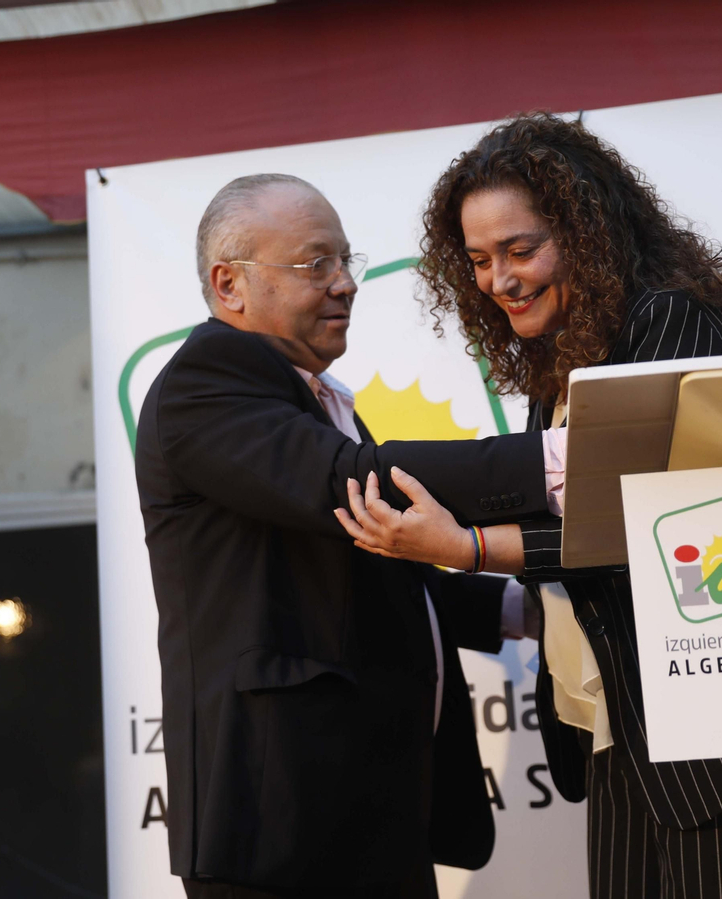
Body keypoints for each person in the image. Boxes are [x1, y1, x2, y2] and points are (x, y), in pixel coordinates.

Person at [336, 114, 722, 899]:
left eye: (522, 249)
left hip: (706, 741)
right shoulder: (562, 364)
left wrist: (468, 545)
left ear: (588, 232)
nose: (499, 279)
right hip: (613, 731)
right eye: (479, 260)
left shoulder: (668, 320)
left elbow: (656, 526)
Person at [134, 173, 560, 898]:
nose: (345, 283)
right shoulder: (204, 381)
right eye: (314, 264)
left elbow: (378, 564)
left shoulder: (303, 396)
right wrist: (555, 459)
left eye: (345, 261)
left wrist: (524, 610)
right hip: (281, 829)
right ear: (228, 283)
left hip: (364, 815)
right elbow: (350, 483)